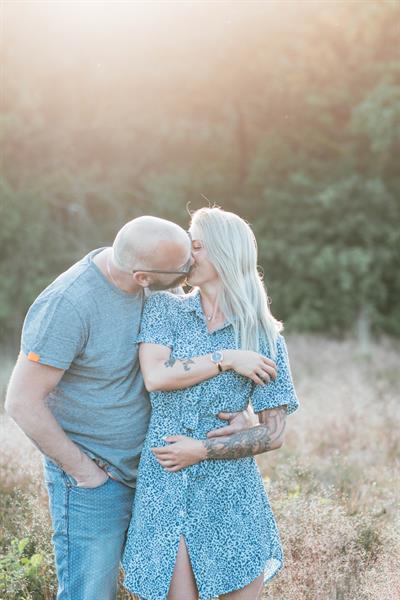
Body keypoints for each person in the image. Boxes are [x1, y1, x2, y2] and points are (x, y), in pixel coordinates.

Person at [5, 215, 277, 600]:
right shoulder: (68, 304)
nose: (188, 266)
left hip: (158, 475)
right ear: (144, 279)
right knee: (91, 594)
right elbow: (20, 402)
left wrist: (242, 413)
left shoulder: (157, 272)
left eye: (191, 251)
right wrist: (84, 473)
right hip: (100, 476)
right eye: (183, 263)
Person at [122, 207, 299, 600]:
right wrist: (227, 358)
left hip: (231, 491)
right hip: (166, 483)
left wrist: (202, 450)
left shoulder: (264, 336)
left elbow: (273, 434)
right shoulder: (165, 309)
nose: (188, 256)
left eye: (197, 246)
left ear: (224, 253)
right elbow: (157, 375)